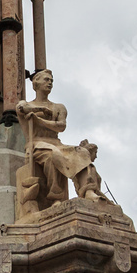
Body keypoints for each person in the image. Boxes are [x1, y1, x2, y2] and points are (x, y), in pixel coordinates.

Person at [16, 69, 105, 206]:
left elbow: (61, 127)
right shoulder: (27, 104)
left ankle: (88, 190)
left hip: (56, 142)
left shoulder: (59, 107)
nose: (50, 83)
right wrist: (39, 111)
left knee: (81, 152)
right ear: (36, 83)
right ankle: (55, 198)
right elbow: (21, 108)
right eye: (46, 80)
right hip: (36, 144)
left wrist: (38, 119)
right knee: (53, 154)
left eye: (52, 81)